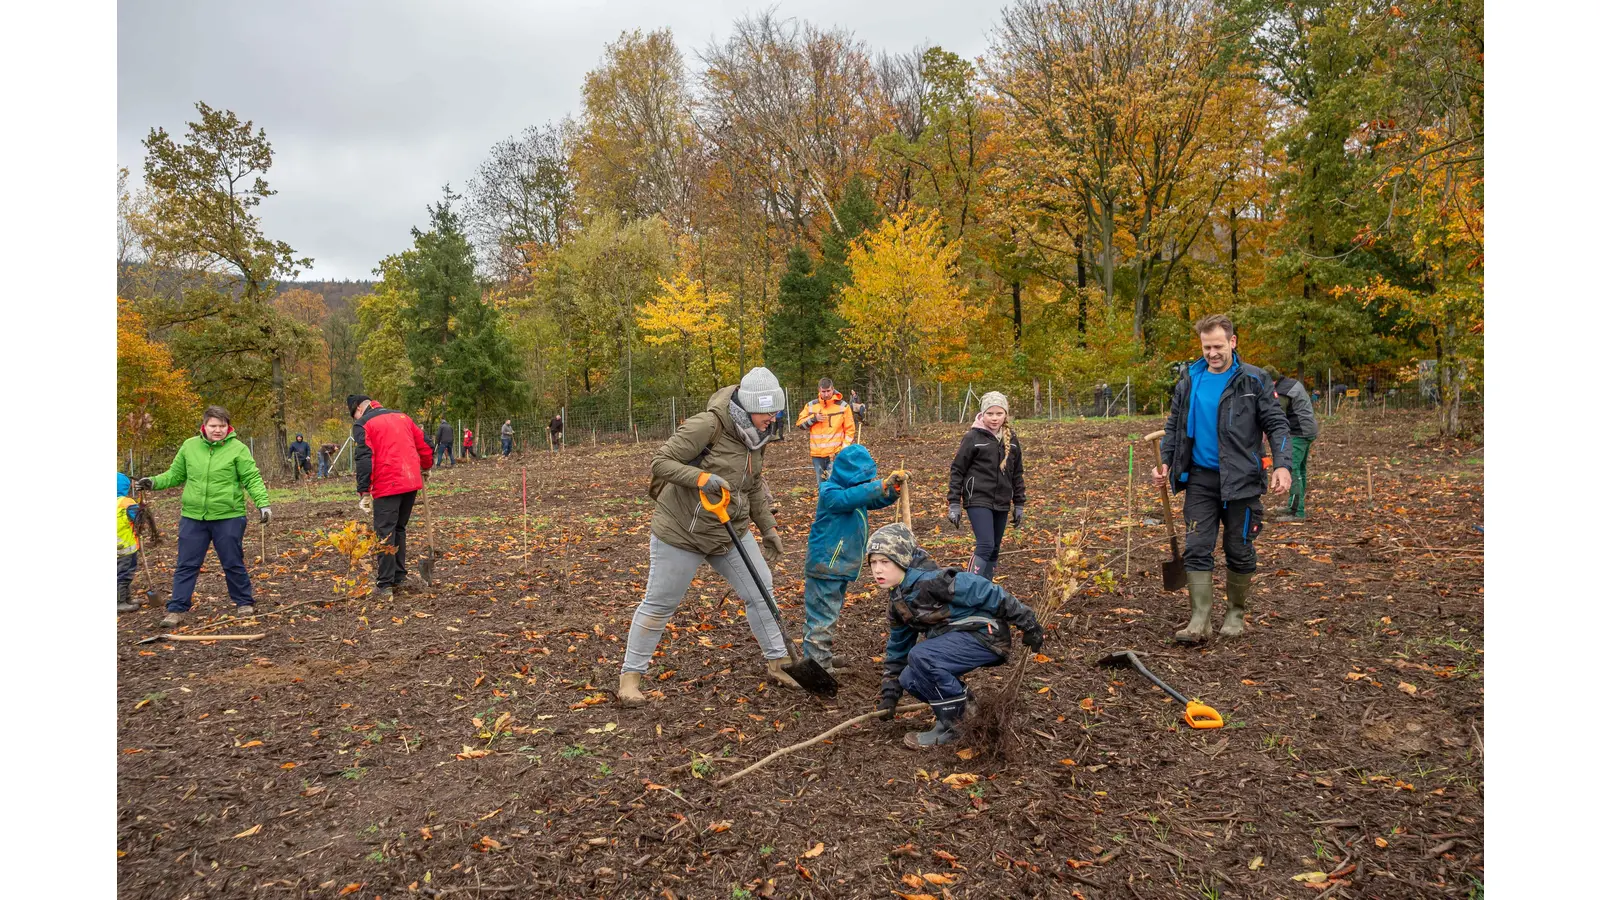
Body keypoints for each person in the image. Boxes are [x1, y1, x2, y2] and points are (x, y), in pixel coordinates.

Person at [618, 367, 796, 707]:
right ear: (747, 405)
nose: (772, 418)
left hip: (730, 529)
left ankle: (780, 662)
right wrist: (701, 478)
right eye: (767, 411)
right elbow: (661, 462)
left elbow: (753, 486)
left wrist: (768, 528)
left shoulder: (758, 435)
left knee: (761, 589)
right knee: (660, 604)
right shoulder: (708, 425)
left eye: (776, 411)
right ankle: (630, 678)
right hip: (681, 531)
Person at [1153, 315, 1292, 643]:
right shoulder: (1190, 379)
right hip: (1200, 478)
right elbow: (1175, 425)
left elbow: (1277, 424)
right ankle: (1199, 619)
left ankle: (1235, 613)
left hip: (1242, 479)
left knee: (1238, 548)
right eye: (1206, 347)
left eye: (1218, 346)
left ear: (1232, 342)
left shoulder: (1254, 380)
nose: (1212, 353)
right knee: (1197, 547)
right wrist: (1165, 462)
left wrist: (1283, 465)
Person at [870, 523, 1044, 748]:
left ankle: (954, 726)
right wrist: (890, 694)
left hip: (985, 635)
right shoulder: (898, 601)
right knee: (909, 677)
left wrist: (1027, 623)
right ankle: (970, 713)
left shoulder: (935, 581)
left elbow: (986, 591)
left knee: (922, 656)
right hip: (958, 639)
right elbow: (898, 647)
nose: (878, 570)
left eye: (885, 562)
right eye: (873, 562)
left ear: (902, 559)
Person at [136, 405, 271, 627]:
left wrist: (263, 504)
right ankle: (176, 609)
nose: (217, 430)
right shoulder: (190, 446)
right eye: (213, 426)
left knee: (232, 561)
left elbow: (251, 478)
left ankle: (244, 602)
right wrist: (153, 482)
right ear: (204, 426)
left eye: (222, 426)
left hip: (229, 515)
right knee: (186, 564)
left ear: (228, 427)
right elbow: (175, 475)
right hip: (193, 516)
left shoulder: (238, 449)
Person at [802, 443, 905, 673]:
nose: (864, 485)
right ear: (847, 474)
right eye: (861, 480)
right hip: (826, 566)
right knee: (822, 617)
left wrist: (892, 491)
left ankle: (820, 658)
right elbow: (849, 498)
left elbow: (870, 499)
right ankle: (817, 666)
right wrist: (879, 485)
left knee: (828, 614)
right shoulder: (830, 492)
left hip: (837, 566)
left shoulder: (853, 492)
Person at [348, 394, 434, 599]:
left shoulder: (363, 424)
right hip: (410, 481)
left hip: (387, 484)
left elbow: (364, 457)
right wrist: (426, 466)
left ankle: (385, 584)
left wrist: (364, 491)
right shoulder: (402, 417)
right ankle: (399, 576)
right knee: (399, 529)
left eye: (354, 415)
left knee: (385, 533)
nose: (355, 419)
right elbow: (425, 443)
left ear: (359, 408)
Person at [946, 391, 1026, 580]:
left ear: (1005, 414)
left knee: (995, 548)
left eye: (999, 413)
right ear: (982, 414)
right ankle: (969, 587)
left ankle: (985, 588)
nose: (994, 418)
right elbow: (957, 470)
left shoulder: (1012, 439)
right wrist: (954, 503)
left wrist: (1019, 503)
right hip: (978, 498)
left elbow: (1017, 473)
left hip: (1002, 500)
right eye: (990, 413)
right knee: (986, 544)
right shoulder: (973, 437)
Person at [1264, 366, 1319, 521]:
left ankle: (1297, 512)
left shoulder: (1282, 392)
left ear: (1271, 381)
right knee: (1300, 470)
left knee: (1293, 470)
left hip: (1299, 432)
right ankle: (1294, 505)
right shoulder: (1291, 383)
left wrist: (1264, 434)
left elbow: (1276, 417)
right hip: (1308, 430)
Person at [796, 377, 856, 482]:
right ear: (819, 390)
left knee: (833, 484)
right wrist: (814, 419)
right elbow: (800, 424)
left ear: (833, 389)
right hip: (817, 455)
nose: (826, 394)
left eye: (828, 391)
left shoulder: (843, 407)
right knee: (822, 485)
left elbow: (850, 430)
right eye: (823, 391)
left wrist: (843, 449)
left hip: (835, 454)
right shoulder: (811, 406)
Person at [117, 473, 144, 613]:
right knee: (124, 574)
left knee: (120, 572)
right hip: (125, 546)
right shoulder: (127, 503)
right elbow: (138, 519)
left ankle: (126, 598)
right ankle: (119, 602)